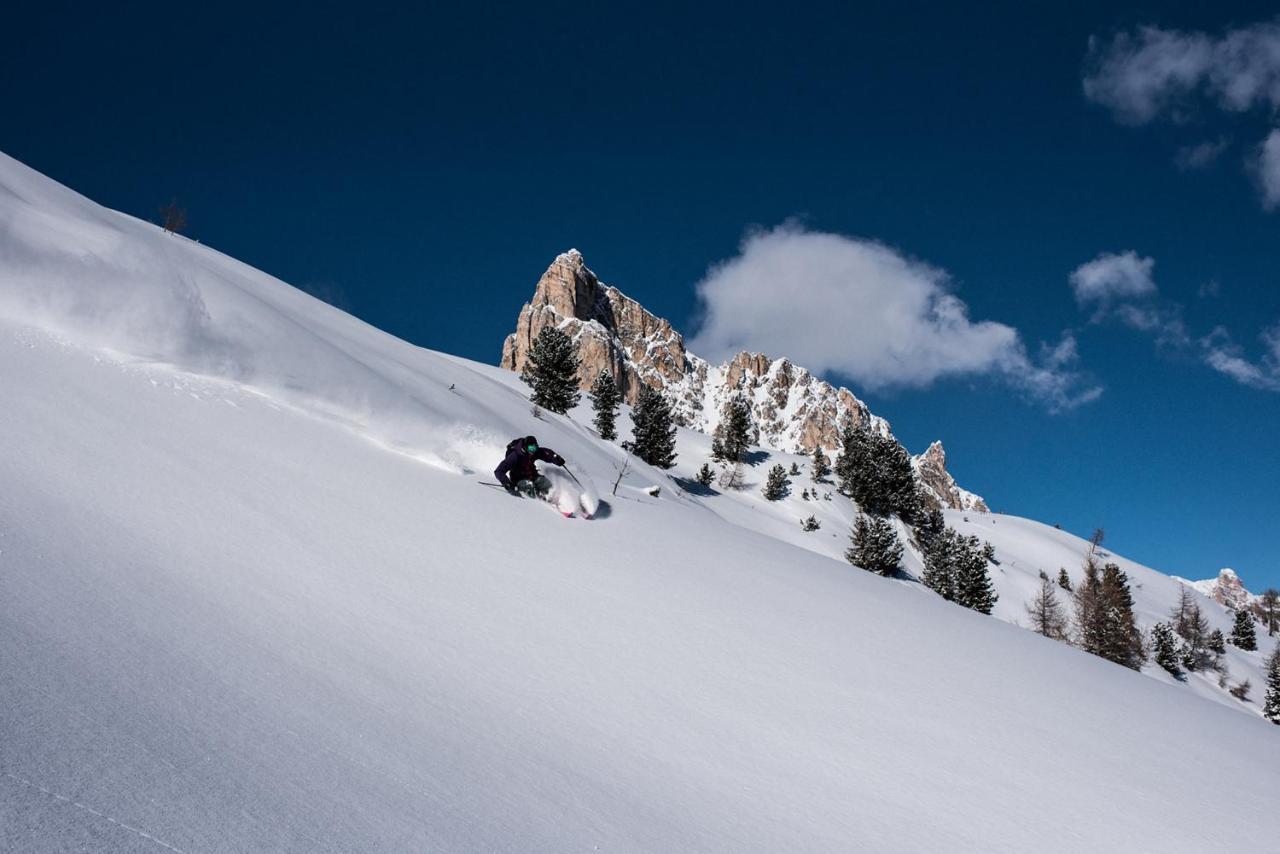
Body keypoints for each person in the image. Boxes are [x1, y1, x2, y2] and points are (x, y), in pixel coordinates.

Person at [495, 435, 565, 497]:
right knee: (530, 486)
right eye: (531, 448)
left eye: (535, 448)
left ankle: (551, 497)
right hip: (518, 479)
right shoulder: (515, 456)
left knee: (545, 483)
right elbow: (499, 471)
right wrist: (506, 483)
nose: (533, 451)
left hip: (532, 475)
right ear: (525, 447)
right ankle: (537, 503)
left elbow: (546, 453)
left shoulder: (534, 452)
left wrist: (557, 459)